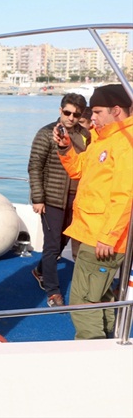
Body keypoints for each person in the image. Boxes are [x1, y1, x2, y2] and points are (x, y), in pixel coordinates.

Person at [55, 84, 132, 340]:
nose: (93, 117)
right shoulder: (103, 139)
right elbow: (79, 171)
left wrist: (107, 237)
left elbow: (125, 196)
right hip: (91, 232)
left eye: (97, 112)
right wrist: (66, 148)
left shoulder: (125, 144)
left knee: (81, 299)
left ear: (117, 110)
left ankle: (89, 351)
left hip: (101, 238)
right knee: (100, 295)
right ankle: (107, 346)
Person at [27, 93, 90, 307]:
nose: (71, 117)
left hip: (76, 199)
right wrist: (38, 198)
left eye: (76, 114)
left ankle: (39, 270)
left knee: (63, 240)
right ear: (60, 110)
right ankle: (53, 292)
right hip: (52, 198)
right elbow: (35, 166)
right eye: (67, 112)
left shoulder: (85, 136)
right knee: (53, 245)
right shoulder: (46, 133)